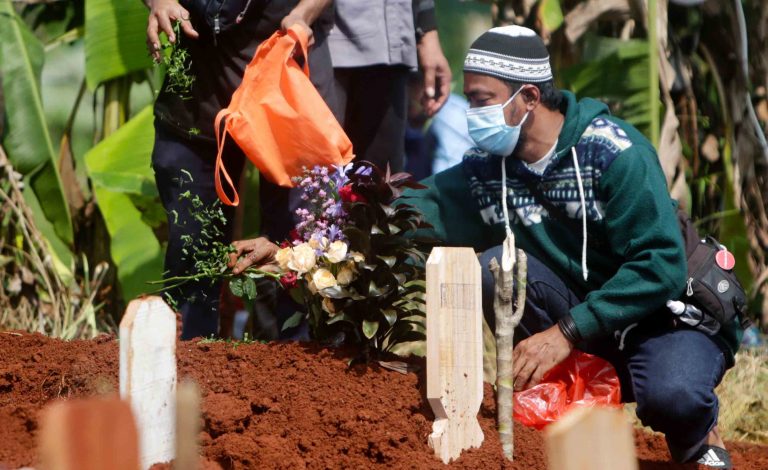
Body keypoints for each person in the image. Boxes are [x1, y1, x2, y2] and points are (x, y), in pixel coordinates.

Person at [403, 25, 740, 468]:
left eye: (483, 99)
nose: (472, 112)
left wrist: (566, 333)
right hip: (588, 317)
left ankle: (698, 436)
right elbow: (411, 209)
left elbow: (661, 265)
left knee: (673, 396)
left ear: (528, 97)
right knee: (497, 270)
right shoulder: (489, 172)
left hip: (666, 317)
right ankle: (564, 408)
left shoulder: (614, 154)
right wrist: (325, 224)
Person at [144, 0, 334, 340]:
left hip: (284, 62)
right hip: (198, 82)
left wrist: (303, 14)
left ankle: (300, 377)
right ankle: (188, 368)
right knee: (192, 243)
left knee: (298, 247)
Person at [328, 0, 452, 173]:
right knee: (319, 181)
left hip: (393, 43)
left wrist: (427, 32)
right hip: (328, 40)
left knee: (381, 184)